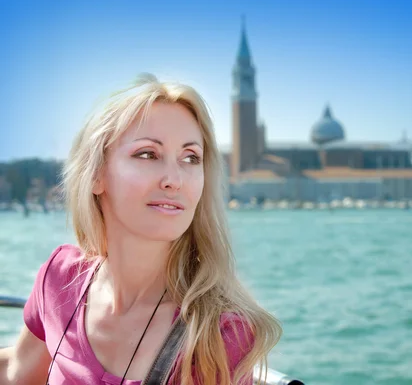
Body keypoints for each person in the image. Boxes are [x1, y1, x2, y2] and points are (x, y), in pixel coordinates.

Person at [0, 73, 282, 385]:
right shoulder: (60, 278)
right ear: (96, 174)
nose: (174, 179)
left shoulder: (219, 334)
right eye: (148, 154)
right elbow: (16, 372)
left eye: (191, 158)